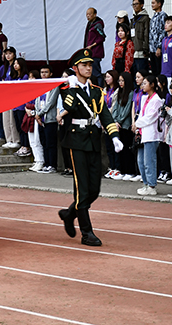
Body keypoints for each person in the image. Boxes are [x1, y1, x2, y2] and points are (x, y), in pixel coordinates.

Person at [58, 48, 124, 246]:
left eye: (90, 65)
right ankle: (87, 232)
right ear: (75, 68)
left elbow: (104, 115)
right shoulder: (67, 88)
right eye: (84, 65)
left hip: (94, 141)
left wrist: (114, 136)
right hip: (76, 141)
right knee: (82, 188)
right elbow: (69, 108)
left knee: (94, 189)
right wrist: (69, 87)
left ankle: (70, 214)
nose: (88, 68)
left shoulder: (96, 91)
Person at [134, 74, 164, 196]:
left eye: (145, 83)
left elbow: (151, 117)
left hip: (151, 134)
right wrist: (137, 127)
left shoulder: (156, 100)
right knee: (140, 160)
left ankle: (152, 185)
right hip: (142, 132)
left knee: (149, 160)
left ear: (152, 85)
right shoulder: (144, 98)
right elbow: (141, 114)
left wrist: (137, 123)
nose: (143, 85)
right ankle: (146, 183)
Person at [83, 8, 106, 85]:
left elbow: (102, 37)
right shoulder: (90, 23)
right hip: (89, 52)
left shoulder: (98, 24)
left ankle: (100, 88)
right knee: (91, 72)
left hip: (95, 52)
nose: (88, 16)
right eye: (87, 14)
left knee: (96, 72)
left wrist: (92, 46)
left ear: (95, 14)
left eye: (90, 14)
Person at [130, 0, 150, 74]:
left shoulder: (145, 18)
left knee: (141, 73)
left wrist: (145, 49)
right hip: (133, 51)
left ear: (142, 5)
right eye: (133, 4)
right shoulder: (133, 19)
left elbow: (146, 34)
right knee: (135, 74)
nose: (134, 6)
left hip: (141, 51)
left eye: (136, 4)